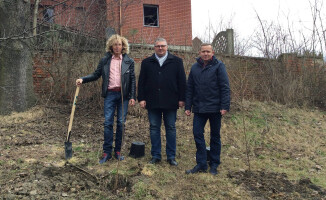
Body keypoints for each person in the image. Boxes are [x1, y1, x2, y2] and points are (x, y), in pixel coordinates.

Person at [76, 34, 136, 164]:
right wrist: (83, 79)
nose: (117, 47)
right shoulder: (105, 60)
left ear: (123, 46)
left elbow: (132, 80)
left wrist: (132, 96)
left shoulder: (128, 61)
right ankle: (106, 152)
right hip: (109, 94)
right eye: (115, 44)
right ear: (111, 46)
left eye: (119, 44)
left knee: (120, 122)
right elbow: (96, 74)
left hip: (123, 96)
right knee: (108, 123)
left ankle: (118, 151)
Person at [137, 38, 186, 166]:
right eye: (158, 46)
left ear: (167, 47)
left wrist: (182, 99)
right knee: (154, 128)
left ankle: (171, 156)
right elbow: (141, 82)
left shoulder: (176, 61)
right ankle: (156, 155)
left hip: (171, 101)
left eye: (163, 46)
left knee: (170, 128)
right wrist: (141, 98)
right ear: (154, 47)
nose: (160, 48)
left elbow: (182, 81)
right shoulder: (147, 62)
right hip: (152, 101)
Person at [185, 43, 230, 175]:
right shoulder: (194, 68)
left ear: (212, 53)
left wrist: (224, 106)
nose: (205, 54)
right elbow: (190, 89)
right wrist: (188, 106)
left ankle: (214, 164)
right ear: (199, 53)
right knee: (197, 134)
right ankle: (201, 163)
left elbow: (225, 87)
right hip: (199, 108)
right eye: (203, 51)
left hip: (215, 108)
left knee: (215, 136)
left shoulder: (219, 66)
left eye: (208, 52)